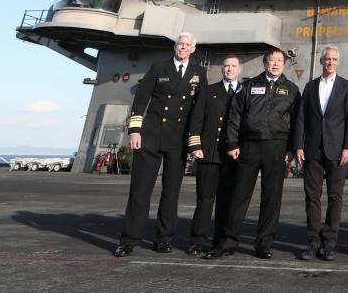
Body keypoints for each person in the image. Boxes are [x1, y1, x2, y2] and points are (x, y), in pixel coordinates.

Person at [113, 32, 206, 257]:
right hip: (151, 135)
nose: (183, 48)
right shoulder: (159, 67)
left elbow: (199, 109)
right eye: (180, 44)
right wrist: (135, 130)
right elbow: (140, 99)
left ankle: (164, 239)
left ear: (193, 49)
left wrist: (194, 141)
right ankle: (128, 240)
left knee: (171, 193)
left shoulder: (199, 73)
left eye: (187, 45)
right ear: (175, 47)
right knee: (139, 191)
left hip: (178, 139)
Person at [204, 47, 300, 260]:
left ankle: (264, 244)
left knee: (271, 198)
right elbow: (234, 115)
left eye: (279, 61)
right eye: (272, 60)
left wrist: (292, 148)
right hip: (249, 146)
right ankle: (227, 242)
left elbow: (296, 122)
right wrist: (231, 143)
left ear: (284, 65)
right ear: (265, 63)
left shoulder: (292, 89)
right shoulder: (248, 86)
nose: (275, 64)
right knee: (239, 195)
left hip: (277, 147)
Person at [293, 46, 348, 261]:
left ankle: (329, 243)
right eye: (327, 59)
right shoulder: (310, 87)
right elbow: (301, 118)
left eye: (334, 59)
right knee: (312, 197)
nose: (330, 62)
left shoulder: (347, 87)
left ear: (338, 62)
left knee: (334, 197)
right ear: (321, 62)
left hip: (337, 151)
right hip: (312, 149)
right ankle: (313, 241)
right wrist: (299, 146)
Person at [185, 55, 242, 256]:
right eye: (226, 66)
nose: (229, 69)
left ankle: (220, 241)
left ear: (239, 69)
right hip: (209, 153)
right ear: (222, 69)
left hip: (232, 157)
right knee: (205, 200)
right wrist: (195, 146)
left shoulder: (245, 92)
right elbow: (196, 120)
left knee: (226, 202)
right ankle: (198, 240)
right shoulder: (209, 92)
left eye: (233, 66)